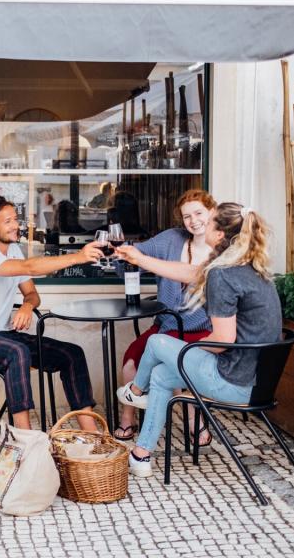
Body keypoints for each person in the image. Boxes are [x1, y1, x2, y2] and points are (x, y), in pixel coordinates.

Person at [114, 203, 282, 477]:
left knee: (158, 343)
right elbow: (190, 273)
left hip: (235, 382)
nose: (202, 225)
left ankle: (135, 391)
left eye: (210, 221)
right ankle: (141, 454)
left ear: (218, 235)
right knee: (162, 375)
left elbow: (223, 339)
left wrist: (187, 350)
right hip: (259, 381)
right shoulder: (249, 267)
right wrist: (139, 258)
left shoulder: (222, 274)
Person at [0, 195, 104, 431]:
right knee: (18, 351)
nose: (15, 225)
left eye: (15, 219)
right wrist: (79, 257)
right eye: (7, 221)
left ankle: (92, 434)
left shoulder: (14, 249)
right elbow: (30, 267)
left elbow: (32, 294)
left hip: (4, 336)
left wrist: (26, 306)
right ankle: (25, 437)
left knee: (71, 353)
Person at [113, 189, 217, 444]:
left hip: (204, 330)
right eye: (187, 216)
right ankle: (129, 416)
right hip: (167, 325)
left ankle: (195, 420)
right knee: (131, 362)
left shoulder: (223, 250)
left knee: (184, 367)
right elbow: (135, 253)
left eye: (198, 213)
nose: (193, 221)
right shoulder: (172, 239)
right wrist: (120, 253)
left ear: (212, 212)